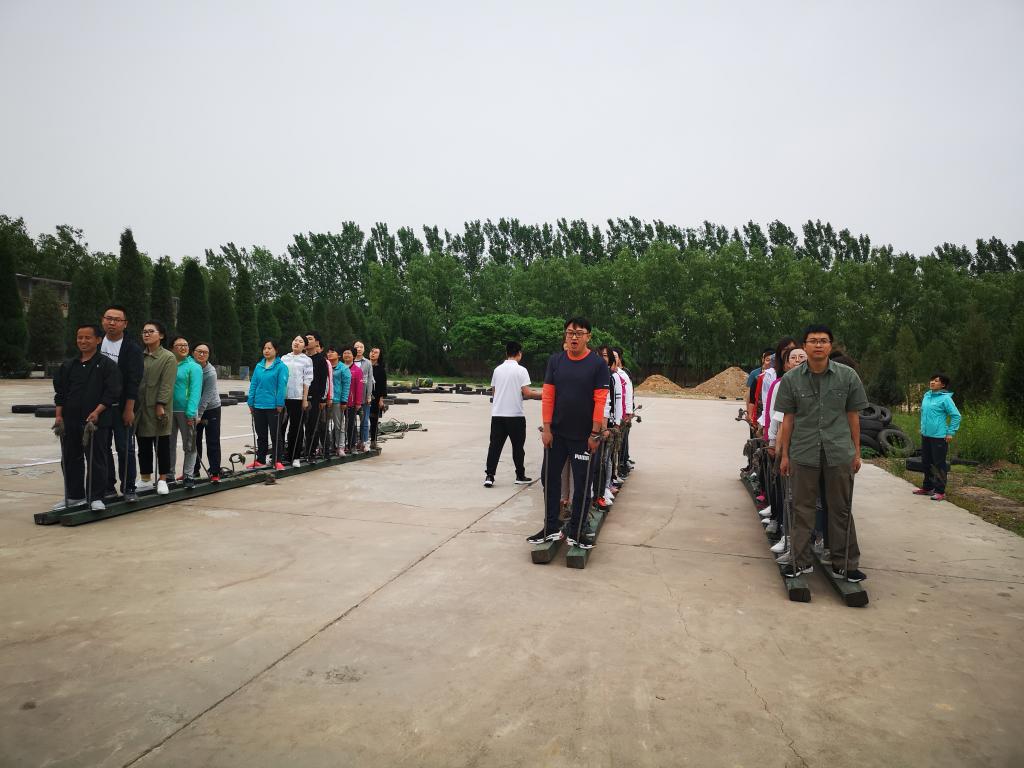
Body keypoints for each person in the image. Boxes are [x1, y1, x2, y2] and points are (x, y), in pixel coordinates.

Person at [776, 324, 869, 582]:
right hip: (803, 452)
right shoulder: (791, 379)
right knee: (802, 509)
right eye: (813, 341)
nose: (818, 345)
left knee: (840, 509)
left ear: (830, 345)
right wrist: (785, 455)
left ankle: (845, 563)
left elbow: (853, 416)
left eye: (823, 341)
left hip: (838, 452)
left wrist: (856, 452)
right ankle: (799, 561)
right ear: (804, 346)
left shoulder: (847, 376)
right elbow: (788, 419)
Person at [527, 317, 610, 550]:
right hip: (557, 435)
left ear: (588, 337)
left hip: (583, 437)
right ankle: (551, 527)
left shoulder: (597, 365)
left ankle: (576, 530)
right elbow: (548, 396)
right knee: (549, 478)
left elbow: (600, 400)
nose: (574, 337)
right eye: (570, 332)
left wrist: (595, 433)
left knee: (582, 485)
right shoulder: (556, 361)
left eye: (579, 333)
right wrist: (547, 429)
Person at [52, 324, 123, 512]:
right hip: (70, 420)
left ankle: (96, 497)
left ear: (98, 340)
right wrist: (59, 416)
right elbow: (60, 393)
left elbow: (112, 392)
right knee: (70, 457)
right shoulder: (68, 366)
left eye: (87, 337)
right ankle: (75, 496)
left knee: (96, 458)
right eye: (79, 337)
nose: (83, 341)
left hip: (96, 421)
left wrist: (97, 411)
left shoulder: (107, 365)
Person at [99, 304, 143, 502]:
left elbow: (134, 380)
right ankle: (107, 486)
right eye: (108, 318)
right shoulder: (97, 343)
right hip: (100, 406)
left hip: (123, 406)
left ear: (125, 324)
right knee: (102, 447)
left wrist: (129, 409)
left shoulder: (132, 348)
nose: (112, 323)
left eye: (116, 320)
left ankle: (129, 487)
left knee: (125, 448)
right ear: (103, 321)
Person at [484, 341, 541, 488]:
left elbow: (495, 392)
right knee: (517, 447)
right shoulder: (521, 370)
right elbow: (527, 393)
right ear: (519, 354)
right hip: (515, 415)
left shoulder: (497, 370)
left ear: (506, 353)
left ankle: (489, 476)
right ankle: (520, 475)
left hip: (497, 414)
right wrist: (544, 395)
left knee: (494, 446)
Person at [135, 321, 176, 496]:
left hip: (159, 408)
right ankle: (145, 478)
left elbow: (167, 384)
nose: (146, 334)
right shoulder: (139, 356)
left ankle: (163, 479)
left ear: (161, 335)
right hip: (140, 408)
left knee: (162, 445)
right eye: (144, 331)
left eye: (151, 331)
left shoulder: (168, 357)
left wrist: (160, 404)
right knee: (143, 444)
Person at [915, 372, 961, 502]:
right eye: (932, 380)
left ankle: (940, 491)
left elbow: (956, 416)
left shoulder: (945, 399)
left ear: (943, 385)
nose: (932, 382)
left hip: (939, 436)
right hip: (926, 435)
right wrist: (923, 428)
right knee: (926, 462)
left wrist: (950, 432)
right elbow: (925, 414)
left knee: (938, 464)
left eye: (936, 381)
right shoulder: (927, 396)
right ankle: (927, 488)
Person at [247, 340, 289, 468]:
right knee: (261, 435)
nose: (266, 350)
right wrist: (250, 401)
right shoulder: (259, 366)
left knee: (275, 435)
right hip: (258, 405)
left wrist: (280, 403)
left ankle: (277, 460)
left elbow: (282, 386)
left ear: (276, 350)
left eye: (269, 348)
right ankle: (260, 460)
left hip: (273, 406)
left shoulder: (281, 367)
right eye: (265, 348)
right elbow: (253, 384)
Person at [191, 342, 222, 481]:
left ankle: (215, 472)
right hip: (193, 408)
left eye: (205, 352)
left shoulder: (210, 372)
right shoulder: (190, 367)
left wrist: (198, 415)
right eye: (199, 351)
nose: (202, 354)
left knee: (212, 440)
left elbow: (206, 397)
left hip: (211, 409)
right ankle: (194, 471)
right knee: (194, 441)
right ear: (193, 352)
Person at [281, 335, 313, 466]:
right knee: (281, 427)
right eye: (295, 340)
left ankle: (295, 456)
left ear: (304, 346)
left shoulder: (307, 360)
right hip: (283, 398)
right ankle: (279, 456)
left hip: (297, 398)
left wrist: (305, 399)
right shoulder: (284, 358)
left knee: (296, 428)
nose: (297, 343)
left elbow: (307, 380)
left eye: (300, 342)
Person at [303, 331, 332, 460]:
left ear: (317, 342)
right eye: (305, 339)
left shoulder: (321, 360)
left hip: (314, 398)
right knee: (299, 426)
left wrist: (322, 399)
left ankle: (311, 452)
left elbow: (324, 381)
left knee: (312, 426)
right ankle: (300, 451)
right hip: (299, 397)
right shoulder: (301, 358)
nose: (307, 341)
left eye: (310, 339)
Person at [328, 346, 351, 456]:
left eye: (332, 352)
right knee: (323, 424)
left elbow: (346, 385)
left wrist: (344, 401)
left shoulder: (343, 368)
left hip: (337, 399)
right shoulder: (326, 365)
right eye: (328, 352)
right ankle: (324, 446)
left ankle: (340, 446)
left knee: (339, 425)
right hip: (326, 399)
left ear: (339, 355)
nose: (329, 354)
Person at [353, 340, 375, 451]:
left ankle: (364, 442)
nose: (359, 349)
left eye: (361, 347)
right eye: (357, 347)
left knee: (364, 421)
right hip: (352, 397)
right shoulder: (349, 361)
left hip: (364, 396)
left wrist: (369, 395)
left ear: (364, 349)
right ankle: (352, 442)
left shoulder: (367, 363)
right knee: (351, 422)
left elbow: (370, 379)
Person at [343, 347, 364, 453]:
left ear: (354, 356)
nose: (347, 355)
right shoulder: (340, 368)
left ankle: (352, 445)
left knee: (351, 424)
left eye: (349, 353)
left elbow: (359, 388)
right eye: (345, 353)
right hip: (338, 401)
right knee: (339, 425)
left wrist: (358, 402)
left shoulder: (357, 370)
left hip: (351, 402)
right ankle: (339, 445)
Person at [369, 346, 387, 450]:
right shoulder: (365, 366)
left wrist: (381, 400)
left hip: (375, 398)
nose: (373, 353)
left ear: (379, 356)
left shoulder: (381, 370)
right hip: (364, 396)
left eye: (376, 352)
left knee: (373, 420)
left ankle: (373, 441)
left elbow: (383, 386)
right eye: (372, 351)